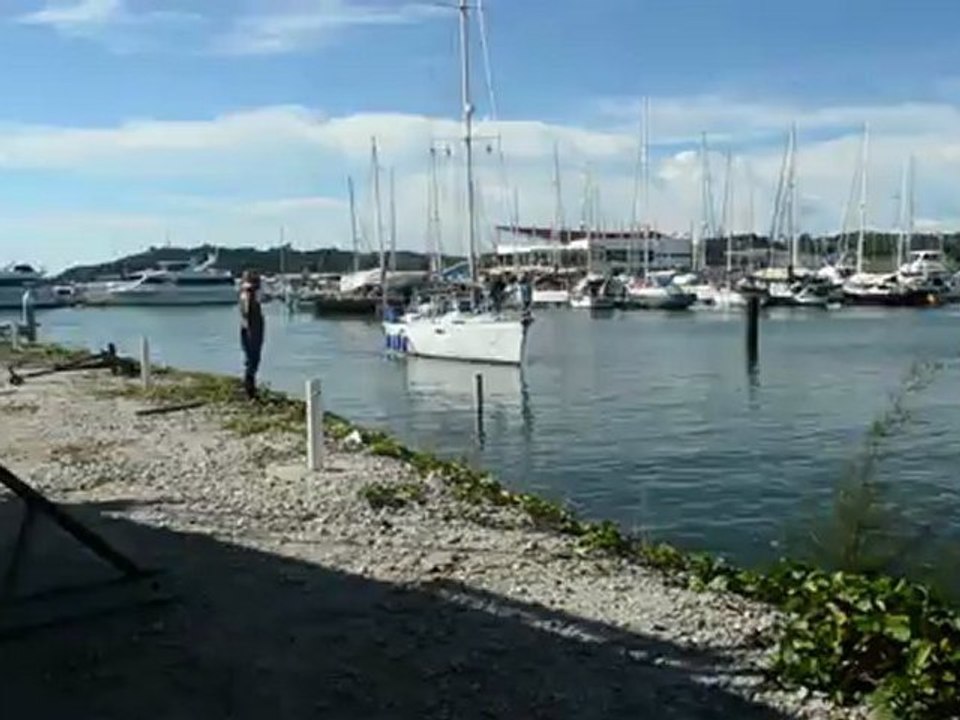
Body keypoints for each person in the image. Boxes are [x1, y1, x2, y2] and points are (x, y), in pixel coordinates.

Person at [239, 270, 265, 400]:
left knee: (250, 359)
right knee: (253, 359)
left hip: (248, 327)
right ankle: (250, 390)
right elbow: (248, 312)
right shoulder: (250, 293)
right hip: (253, 328)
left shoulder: (245, 292)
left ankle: (249, 388)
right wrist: (250, 329)